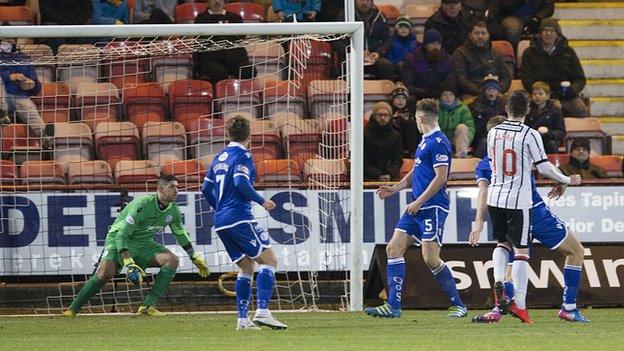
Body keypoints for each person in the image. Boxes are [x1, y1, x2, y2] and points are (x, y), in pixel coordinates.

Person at [469, 116, 590, 323]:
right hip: (534, 211)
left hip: (506, 212)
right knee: (576, 251)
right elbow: (544, 165)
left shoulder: (484, 165)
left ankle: (499, 309)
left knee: (509, 260)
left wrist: (478, 222)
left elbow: (483, 193)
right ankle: (568, 308)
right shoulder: (519, 144)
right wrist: (564, 180)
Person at [365, 99, 468, 319]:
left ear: (420, 119)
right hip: (418, 207)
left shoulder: (439, 142)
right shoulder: (425, 141)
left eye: (417, 120)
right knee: (393, 248)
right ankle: (393, 306)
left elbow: (441, 178)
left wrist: (419, 201)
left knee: (430, 258)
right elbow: (416, 171)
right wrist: (396, 188)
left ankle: (458, 305)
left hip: (433, 207)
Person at [63, 175, 210, 317]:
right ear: (160, 189)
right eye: (172, 187)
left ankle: (147, 306)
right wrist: (128, 261)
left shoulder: (173, 210)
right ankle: (73, 309)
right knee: (105, 274)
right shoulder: (142, 205)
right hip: (118, 240)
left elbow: (179, 233)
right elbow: (122, 235)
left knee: (172, 260)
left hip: (143, 244)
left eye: (178, 187)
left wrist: (193, 255)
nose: (177, 191)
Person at [201, 115, 287, 330]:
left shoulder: (219, 158)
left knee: (246, 267)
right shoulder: (244, 155)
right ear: (250, 135)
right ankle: (263, 311)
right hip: (239, 217)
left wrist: (219, 207)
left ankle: (242, 320)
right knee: (269, 261)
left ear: (227, 134)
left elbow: (205, 189)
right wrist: (262, 201)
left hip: (221, 221)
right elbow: (240, 182)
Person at [520, 18, 588, 117]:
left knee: (580, 109)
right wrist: (543, 95)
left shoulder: (568, 52)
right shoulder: (529, 53)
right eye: (545, 30)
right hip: (539, 95)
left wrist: (569, 92)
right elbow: (526, 79)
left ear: (557, 34)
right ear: (540, 33)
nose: (548, 33)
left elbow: (580, 79)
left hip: (565, 96)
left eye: (552, 31)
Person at [193, 0, 255, 85]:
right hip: (211, 59)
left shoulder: (235, 18)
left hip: (235, 59)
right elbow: (201, 40)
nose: (217, 1)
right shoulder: (201, 18)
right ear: (207, 2)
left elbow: (240, 38)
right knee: (218, 73)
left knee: (248, 71)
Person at [332, 0, 395, 80]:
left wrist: (379, 52)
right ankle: (349, 92)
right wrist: (354, 52)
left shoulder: (380, 16)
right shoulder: (344, 16)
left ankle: (386, 91)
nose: (364, 3)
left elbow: (387, 40)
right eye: (361, 0)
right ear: (354, 1)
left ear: (372, 2)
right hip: (351, 57)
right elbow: (336, 41)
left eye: (368, 0)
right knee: (347, 65)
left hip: (374, 58)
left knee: (386, 65)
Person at [0, 37, 47, 141]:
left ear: (14, 42)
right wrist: (10, 76)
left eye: (8, 40)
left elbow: (36, 87)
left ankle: (45, 137)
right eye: (2, 40)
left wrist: (31, 84)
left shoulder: (23, 58)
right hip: (2, 96)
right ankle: (2, 112)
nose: (5, 43)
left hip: (18, 96)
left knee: (30, 111)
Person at [451, 20, 511, 99]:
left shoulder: (496, 54)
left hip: (496, 93)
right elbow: (461, 80)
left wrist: (497, 90)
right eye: (476, 33)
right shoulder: (460, 53)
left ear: (488, 35)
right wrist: (482, 92)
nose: (480, 36)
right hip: (471, 95)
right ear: (470, 35)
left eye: (483, 33)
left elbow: (506, 77)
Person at [400, 29, 453, 100]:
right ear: (425, 45)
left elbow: (450, 80)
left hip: (441, 96)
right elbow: (408, 85)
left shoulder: (447, 59)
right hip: (418, 97)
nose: (435, 47)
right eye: (432, 43)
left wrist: (441, 91)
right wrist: (425, 92)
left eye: (438, 43)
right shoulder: (412, 59)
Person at [486, 0, 554, 49]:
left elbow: (549, 8)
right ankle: (514, 56)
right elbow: (502, 5)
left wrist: (537, 18)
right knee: (514, 29)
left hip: (535, 17)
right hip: (512, 16)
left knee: (552, 27)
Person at [364, 102, 404, 181]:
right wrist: (378, 175)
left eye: (386, 115)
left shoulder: (395, 136)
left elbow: (397, 160)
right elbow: (361, 161)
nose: (382, 118)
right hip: (366, 178)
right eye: (379, 115)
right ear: (373, 116)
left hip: (390, 178)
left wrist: (389, 174)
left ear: (390, 117)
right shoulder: (363, 134)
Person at [468, 75, 506, 158]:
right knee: (485, 143)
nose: (491, 92)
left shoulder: (504, 105)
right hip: (483, 138)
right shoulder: (475, 105)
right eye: (489, 89)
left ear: (498, 91)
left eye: (494, 89)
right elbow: (474, 127)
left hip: (502, 137)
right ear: (484, 91)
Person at [525, 81, 565, 154]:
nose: (537, 96)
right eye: (534, 94)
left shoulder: (555, 111)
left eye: (540, 94)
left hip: (548, 141)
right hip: (531, 139)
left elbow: (561, 131)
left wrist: (550, 135)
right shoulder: (527, 110)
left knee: (552, 145)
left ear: (547, 96)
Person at [438, 85, 475, 158]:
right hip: (441, 140)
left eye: (451, 95)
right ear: (441, 97)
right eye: (445, 95)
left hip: (457, 140)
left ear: (455, 97)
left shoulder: (463, 109)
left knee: (462, 127)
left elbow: (470, 127)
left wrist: (466, 141)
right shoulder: (436, 108)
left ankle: (461, 156)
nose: (448, 97)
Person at [389, 84, 420, 157]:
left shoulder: (412, 114)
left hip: (412, 148)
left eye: (403, 98)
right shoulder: (389, 113)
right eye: (397, 98)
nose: (400, 100)